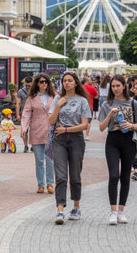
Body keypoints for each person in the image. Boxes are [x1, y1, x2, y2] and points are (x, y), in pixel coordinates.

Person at [98, 74, 137, 225]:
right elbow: (101, 127)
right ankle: (112, 211)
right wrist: (110, 114)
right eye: (113, 86)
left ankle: (121, 211)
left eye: (118, 85)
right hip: (112, 141)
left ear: (124, 86)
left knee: (125, 177)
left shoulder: (133, 103)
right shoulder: (106, 104)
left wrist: (131, 126)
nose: (115, 88)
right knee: (114, 175)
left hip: (129, 141)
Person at [49, 72, 91, 225]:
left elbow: (84, 124)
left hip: (76, 139)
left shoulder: (82, 101)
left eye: (70, 81)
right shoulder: (57, 99)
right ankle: (60, 210)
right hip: (59, 140)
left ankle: (76, 207)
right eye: (64, 81)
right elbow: (51, 120)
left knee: (75, 175)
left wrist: (66, 130)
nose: (66, 83)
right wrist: (58, 105)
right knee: (60, 176)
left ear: (75, 83)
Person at [21, 73, 56, 195]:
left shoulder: (54, 96)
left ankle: (50, 183)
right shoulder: (32, 97)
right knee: (39, 160)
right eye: (41, 82)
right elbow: (26, 113)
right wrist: (24, 128)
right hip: (36, 130)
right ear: (37, 83)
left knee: (50, 159)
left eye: (46, 81)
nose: (44, 84)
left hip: (51, 131)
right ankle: (41, 184)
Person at [16, 76, 33, 152]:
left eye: (29, 85)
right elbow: (18, 103)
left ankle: (33, 145)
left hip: (34, 113)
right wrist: (17, 114)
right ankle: (25, 146)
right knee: (24, 130)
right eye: (26, 85)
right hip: (24, 113)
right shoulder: (20, 91)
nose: (28, 87)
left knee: (33, 130)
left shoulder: (35, 91)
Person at [82, 76, 98, 141]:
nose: (91, 81)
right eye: (90, 80)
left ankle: (80, 135)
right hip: (89, 106)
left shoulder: (81, 87)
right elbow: (96, 97)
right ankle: (87, 135)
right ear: (88, 81)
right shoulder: (92, 88)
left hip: (81, 106)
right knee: (88, 122)